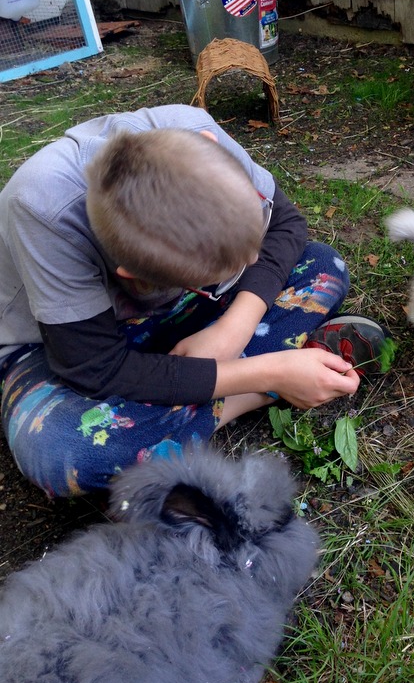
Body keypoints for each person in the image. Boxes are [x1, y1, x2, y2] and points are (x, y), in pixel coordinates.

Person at [0, 104, 390, 497]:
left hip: (172, 313)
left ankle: (187, 409)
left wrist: (236, 324)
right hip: (56, 344)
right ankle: (268, 385)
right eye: (215, 274)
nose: (254, 260)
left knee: (323, 265)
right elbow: (93, 368)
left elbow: (286, 225)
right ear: (133, 277)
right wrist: (266, 376)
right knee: (66, 452)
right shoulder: (43, 212)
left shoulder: (199, 136)